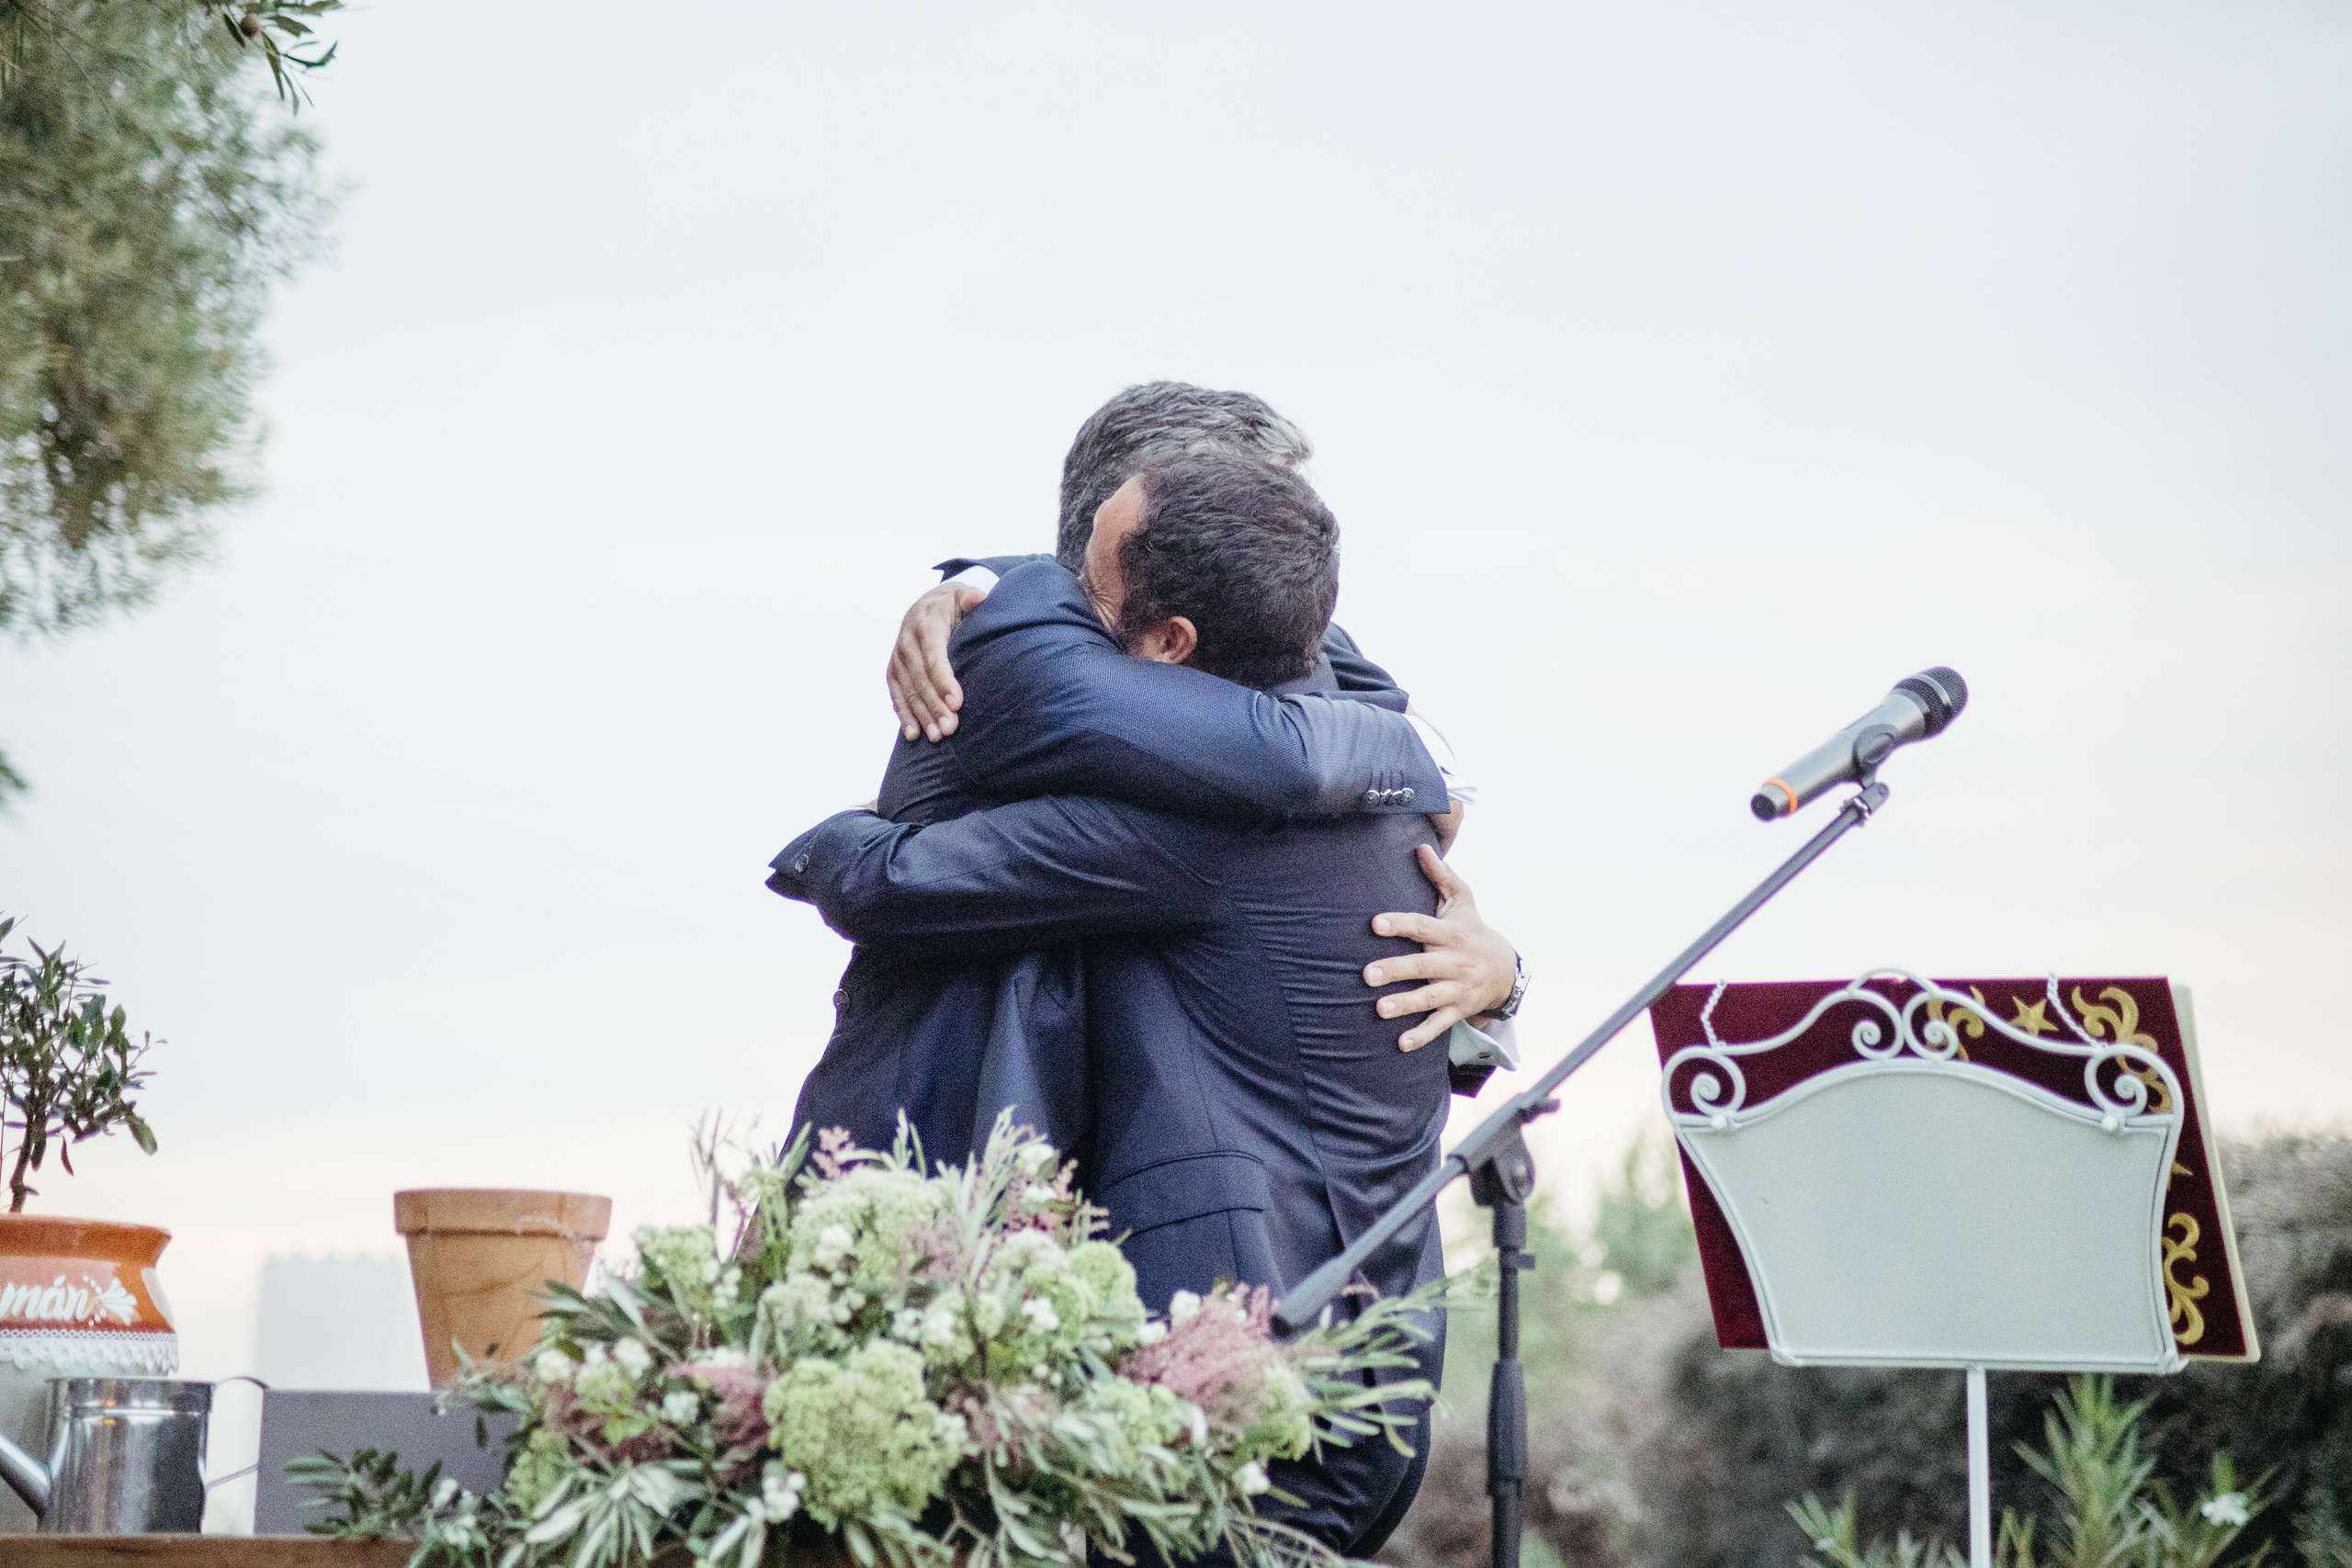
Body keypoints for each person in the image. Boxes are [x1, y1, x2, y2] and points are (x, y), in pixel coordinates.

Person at [770, 453, 1491, 1557]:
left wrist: (838, 835)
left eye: (1088, 585)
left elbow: (893, 884)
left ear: (1168, 647)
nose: (1068, 602)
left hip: (1247, 1406)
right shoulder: (1357, 777)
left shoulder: (1198, 831)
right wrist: (964, 582)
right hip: (1351, 1384)